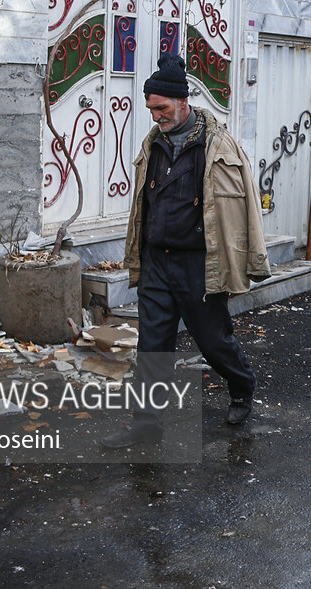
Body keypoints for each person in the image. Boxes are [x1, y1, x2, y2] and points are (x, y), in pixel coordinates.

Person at [99, 54, 270, 448]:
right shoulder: (153, 145)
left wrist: (252, 261)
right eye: (151, 109)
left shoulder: (217, 145)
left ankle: (242, 386)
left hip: (199, 264)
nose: (156, 116)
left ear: (182, 101)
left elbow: (244, 207)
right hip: (158, 261)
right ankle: (146, 426)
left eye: (161, 107)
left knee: (213, 341)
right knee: (152, 347)